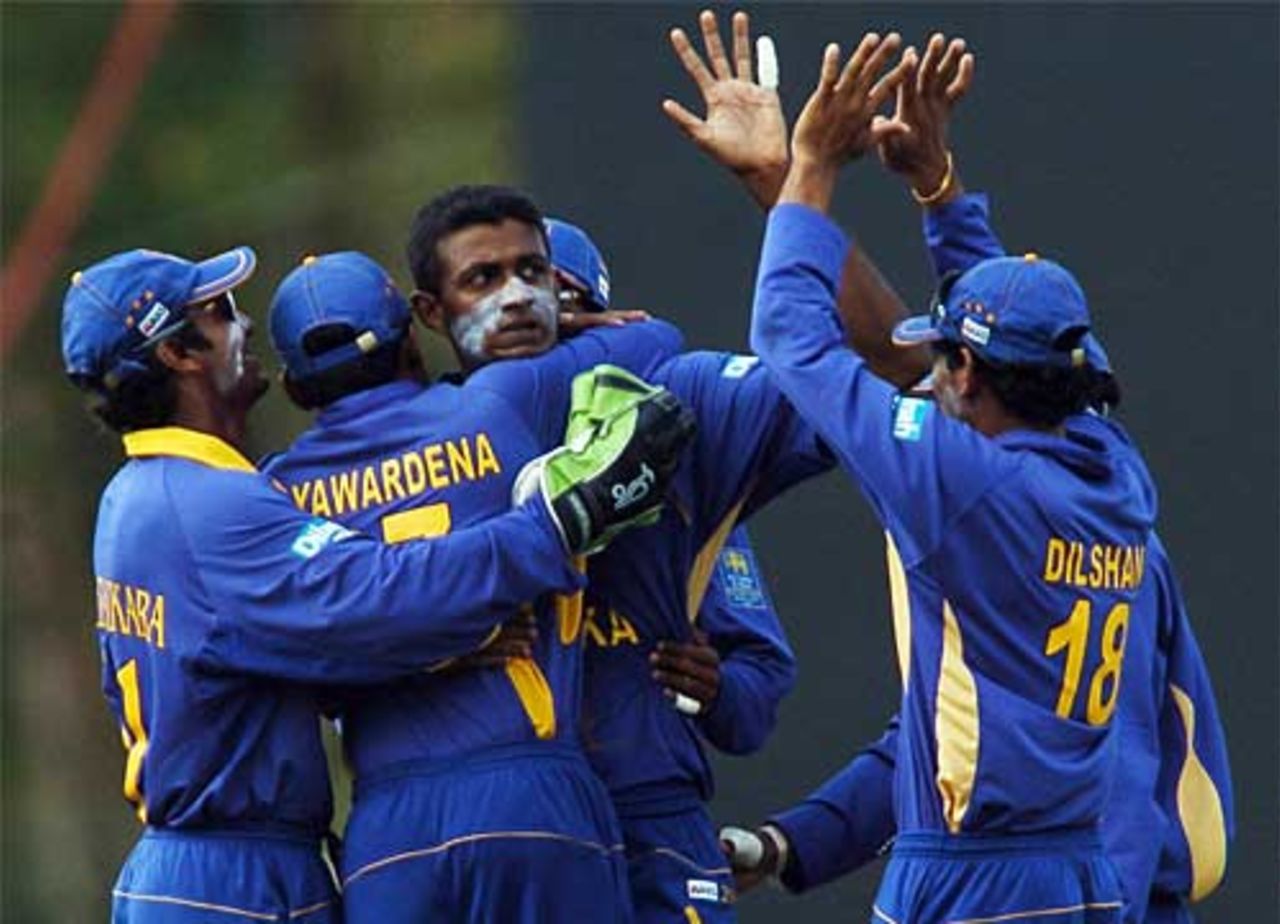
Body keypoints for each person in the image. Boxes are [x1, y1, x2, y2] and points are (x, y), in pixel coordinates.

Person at [718, 35, 1233, 924]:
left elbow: (793, 340)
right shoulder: (1111, 468)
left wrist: (809, 171)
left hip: (976, 872)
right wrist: (937, 188)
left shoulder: (962, 483)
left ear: (963, 374)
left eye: (944, 358)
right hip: (1077, 873)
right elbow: (1017, 326)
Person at [62, 244, 689, 921]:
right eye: (219, 313)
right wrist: (566, 518)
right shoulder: (206, 506)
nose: (242, 327)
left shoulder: (140, 496)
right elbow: (377, 597)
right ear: (176, 355)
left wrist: (423, 646)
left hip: (209, 866)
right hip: (234, 881)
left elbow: (291, 645)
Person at [261, 185, 695, 923]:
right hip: (533, 795)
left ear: (295, 386)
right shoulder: (502, 400)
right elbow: (661, 342)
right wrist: (576, 323)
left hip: (386, 831)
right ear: (414, 331)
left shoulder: (272, 493)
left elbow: (290, 663)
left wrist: (412, 651)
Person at [546, 210, 804, 924]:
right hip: (524, 814)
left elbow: (758, 693)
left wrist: (718, 687)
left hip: (648, 808)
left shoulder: (675, 466)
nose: (547, 317)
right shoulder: (464, 437)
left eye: (571, 302)